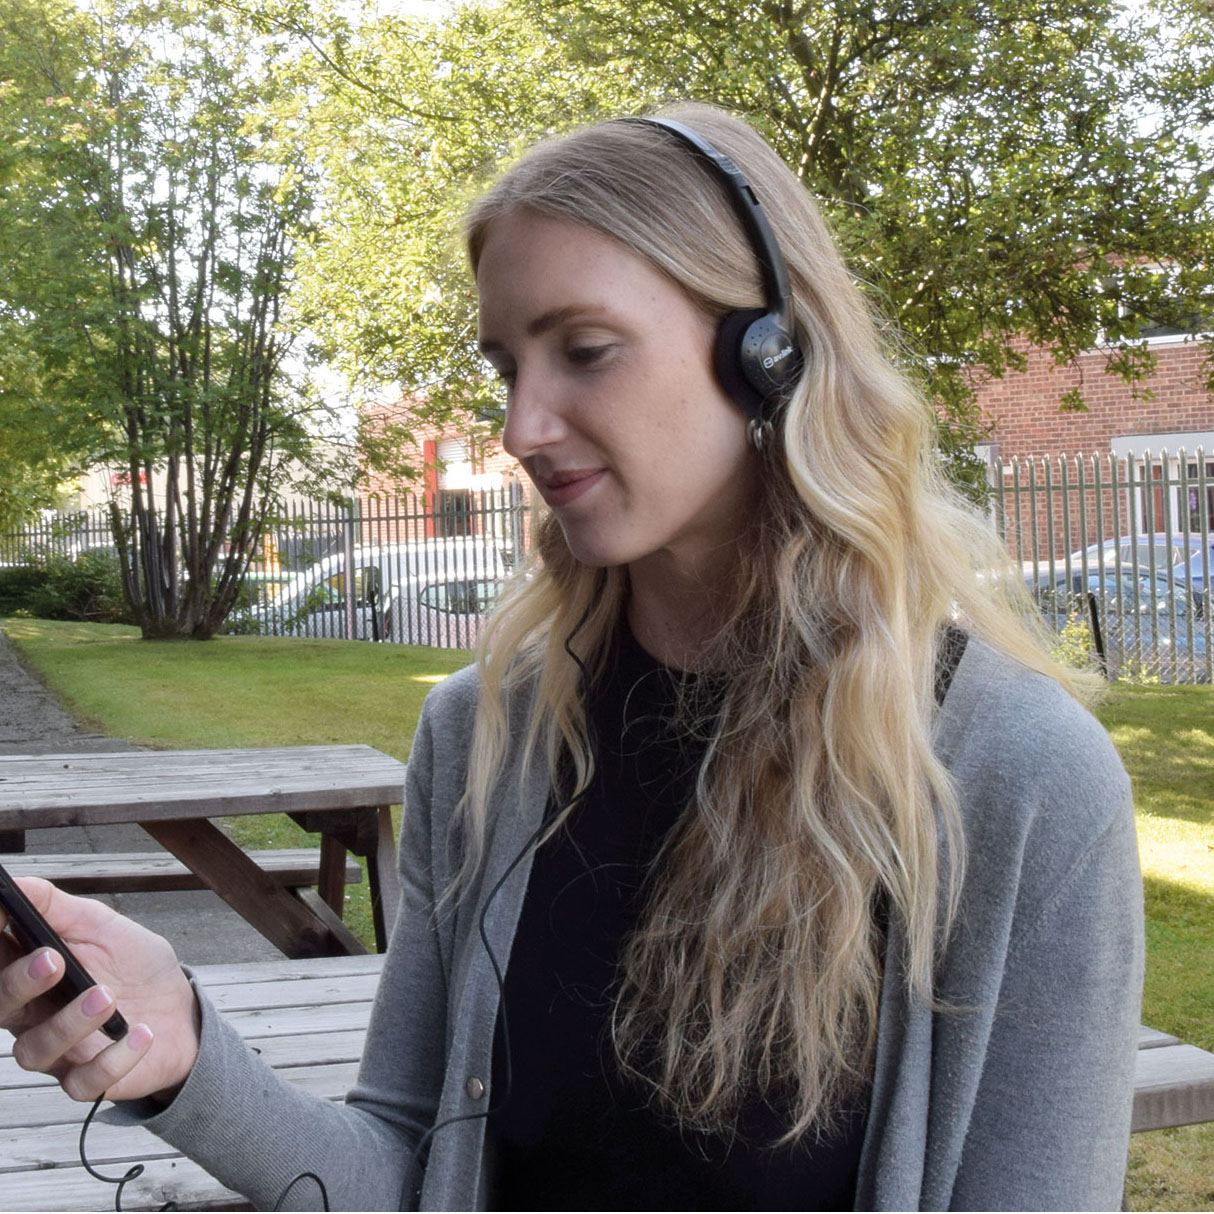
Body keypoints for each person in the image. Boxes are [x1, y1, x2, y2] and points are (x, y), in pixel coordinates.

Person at [0, 104, 1143, 1211]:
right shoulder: (486, 737)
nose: (520, 426)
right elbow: (406, 1170)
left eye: (584, 351)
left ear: (768, 354)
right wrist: (181, 1050)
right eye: (506, 366)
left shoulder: (1017, 775)